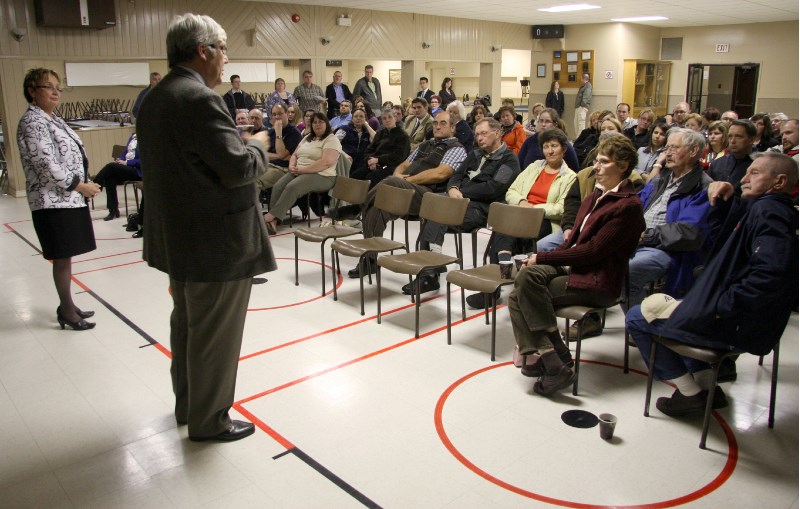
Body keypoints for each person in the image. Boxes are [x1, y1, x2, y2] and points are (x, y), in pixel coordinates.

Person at [137, 13, 273, 442]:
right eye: (223, 48)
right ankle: (209, 420)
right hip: (216, 244)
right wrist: (257, 146)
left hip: (180, 237)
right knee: (215, 337)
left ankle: (188, 405)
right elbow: (235, 168)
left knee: (188, 328)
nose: (225, 58)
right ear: (203, 50)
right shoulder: (198, 99)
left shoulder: (157, 97)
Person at [626, 152, 797, 416]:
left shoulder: (769, 211)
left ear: (779, 181)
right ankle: (709, 390)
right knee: (671, 310)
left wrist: (717, 308)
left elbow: (769, 275)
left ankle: (689, 394)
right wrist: (728, 201)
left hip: (737, 320)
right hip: (745, 317)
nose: (744, 177)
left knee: (638, 317)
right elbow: (720, 239)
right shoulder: (768, 207)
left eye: (755, 173)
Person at [508, 136, 645, 395]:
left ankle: (552, 359)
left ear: (624, 165)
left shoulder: (628, 206)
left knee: (520, 294)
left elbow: (593, 252)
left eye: (604, 162)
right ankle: (554, 359)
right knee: (525, 277)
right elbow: (575, 244)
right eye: (596, 162)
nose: (596, 168)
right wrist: (541, 259)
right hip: (578, 268)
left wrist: (544, 257)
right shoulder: (596, 195)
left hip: (598, 280)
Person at [17, 67, 101, 331]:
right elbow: (45, 163)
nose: (55, 92)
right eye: (48, 86)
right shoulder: (33, 121)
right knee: (62, 256)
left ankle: (68, 304)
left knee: (66, 256)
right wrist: (80, 186)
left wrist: (84, 183)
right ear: (32, 91)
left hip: (67, 199)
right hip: (52, 201)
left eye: (58, 87)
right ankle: (66, 310)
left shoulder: (51, 118)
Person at [403, 118, 520, 294]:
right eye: (477, 134)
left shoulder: (509, 160)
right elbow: (456, 175)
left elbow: (493, 188)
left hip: (482, 209)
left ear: (497, 133)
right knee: (434, 207)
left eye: (483, 133)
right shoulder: (474, 154)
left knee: (438, 212)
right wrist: (452, 188)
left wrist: (462, 192)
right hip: (458, 201)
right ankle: (430, 272)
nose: (479, 138)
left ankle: (431, 273)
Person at [347, 110, 467, 278]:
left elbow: (440, 174)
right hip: (405, 189)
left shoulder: (457, 148)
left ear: (453, 128)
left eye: (443, 124)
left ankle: (357, 207)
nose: (437, 127)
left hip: (428, 195)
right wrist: (398, 175)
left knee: (390, 182)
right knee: (376, 208)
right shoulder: (426, 144)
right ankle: (369, 261)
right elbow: (404, 164)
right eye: (435, 124)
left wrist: (405, 181)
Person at [467, 128, 577, 309]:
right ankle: (496, 283)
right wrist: (521, 202)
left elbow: (561, 208)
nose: (550, 151)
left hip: (546, 220)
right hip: (520, 213)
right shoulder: (534, 167)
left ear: (563, 149)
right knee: (503, 227)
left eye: (554, 146)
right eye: (546, 146)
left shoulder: (570, 177)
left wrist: (533, 208)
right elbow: (512, 191)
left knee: (514, 227)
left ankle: (510, 280)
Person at [626, 128, 711, 312]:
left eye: (674, 148)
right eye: (667, 148)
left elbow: (688, 232)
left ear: (694, 151)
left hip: (669, 250)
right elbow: (636, 203)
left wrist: (647, 236)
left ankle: (643, 323)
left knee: (626, 270)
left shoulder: (702, 187)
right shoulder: (662, 178)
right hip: (639, 239)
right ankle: (595, 317)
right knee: (599, 255)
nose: (667, 153)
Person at [263, 112, 341, 234]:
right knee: (278, 186)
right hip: (299, 171)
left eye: (321, 122)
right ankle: (273, 222)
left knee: (292, 187)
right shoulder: (307, 138)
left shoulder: (332, 139)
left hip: (323, 175)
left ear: (326, 123)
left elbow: (326, 162)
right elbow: (294, 154)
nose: (317, 125)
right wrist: (291, 165)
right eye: (314, 122)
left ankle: (270, 217)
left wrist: (303, 170)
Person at [350, 108, 411, 188]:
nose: (387, 120)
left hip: (391, 165)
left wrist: (378, 160)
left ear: (395, 118)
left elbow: (399, 157)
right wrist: (370, 161)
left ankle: (369, 200)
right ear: (381, 121)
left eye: (390, 117)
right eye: (384, 118)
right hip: (374, 164)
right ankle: (355, 199)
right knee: (355, 175)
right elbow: (369, 150)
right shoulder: (380, 133)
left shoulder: (403, 136)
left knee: (372, 177)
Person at [92, 133, 141, 221]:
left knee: (110, 167)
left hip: (138, 171)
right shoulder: (133, 136)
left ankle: (95, 184)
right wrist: (121, 160)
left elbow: (143, 160)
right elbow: (125, 152)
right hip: (126, 168)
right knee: (110, 177)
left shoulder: (147, 138)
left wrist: (126, 163)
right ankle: (113, 210)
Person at [709, 119, 755, 191]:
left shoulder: (757, 166)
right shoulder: (717, 164)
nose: (733, 141)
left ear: (751, 140)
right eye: (730, 136)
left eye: (738, 136)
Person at [335, 108, 373, 173]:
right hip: (346, 161)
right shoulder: (344, 129)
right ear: (352, 119)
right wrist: (344, 155)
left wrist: (367, 125)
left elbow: (376, 140)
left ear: (365, 119)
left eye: (361, 116)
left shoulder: (367, 132)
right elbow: (334, 144)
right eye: (356, 116)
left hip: (362, 163)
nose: (358, 118)